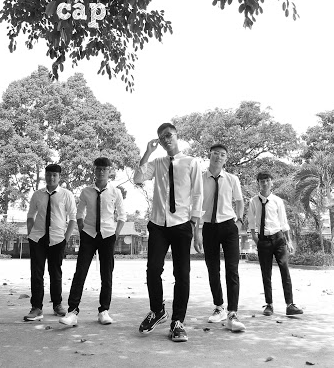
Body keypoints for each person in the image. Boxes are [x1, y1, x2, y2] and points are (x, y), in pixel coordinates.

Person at [133, 123, 203, 342]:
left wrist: (195, 224)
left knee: (182, 274)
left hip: (182, 224)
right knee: (153, 269)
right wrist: (147, 152)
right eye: (161, 137)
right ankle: (157, 311)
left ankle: (178, 321)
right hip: (158, 224)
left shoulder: (191, 162)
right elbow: (138, 178)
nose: (165, 139)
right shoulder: (157, 163)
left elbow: (198, 194)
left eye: (168, 135)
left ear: (176, 135)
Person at [59, 157, 126, 326]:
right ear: (94, 170)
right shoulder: (86, 191)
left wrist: (116, 234)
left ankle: (104, 311)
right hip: (89, 234)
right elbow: (79, 213)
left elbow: (122, 216)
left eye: (104, 169)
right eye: (98, 169)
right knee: (80, 272)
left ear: (109, 171)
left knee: (106, 274)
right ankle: (72, 311)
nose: (101, 172)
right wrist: (82, 230)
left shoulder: (115, 192)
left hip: (108, 236)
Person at [201, 144, 246, 332]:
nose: (218, 157)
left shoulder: (232, 179)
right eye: (215, 154)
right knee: (212, 268)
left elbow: (239, 201)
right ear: (209, 155)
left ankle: (232, 313)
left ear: (226, 158)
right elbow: (194, 201)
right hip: (208, 227)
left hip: (229, 226)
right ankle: (219, 307)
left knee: (232, 269)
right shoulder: (200, 178)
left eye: (222, 155)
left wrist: (239, 222)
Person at [23, 164, 77, 321]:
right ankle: (36, 307)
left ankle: (57, 304)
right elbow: (30, 215)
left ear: (59, 177)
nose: (51, 178)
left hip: (57, 239)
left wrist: (66, 238)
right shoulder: (37, 195)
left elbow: (73, 218)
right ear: (45, 176)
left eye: (54, 175)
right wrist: (30, 234)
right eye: (48, 175)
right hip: (38, 238)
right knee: (36, 273)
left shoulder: (66, 195)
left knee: (56, 273)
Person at [246, 171, 303, 317]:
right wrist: (255, 237)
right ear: (258, 183)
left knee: (285, 270)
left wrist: (288, 241)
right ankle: (269, 305)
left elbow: (283, 222)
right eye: (262, 181)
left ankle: (290, 305)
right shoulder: (253, 201)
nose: (265, 183)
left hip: (278, 239)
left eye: (267, 180)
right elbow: (251, 221)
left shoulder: (277, 201)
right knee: (266, 273)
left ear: (271, 182)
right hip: (263, 240)